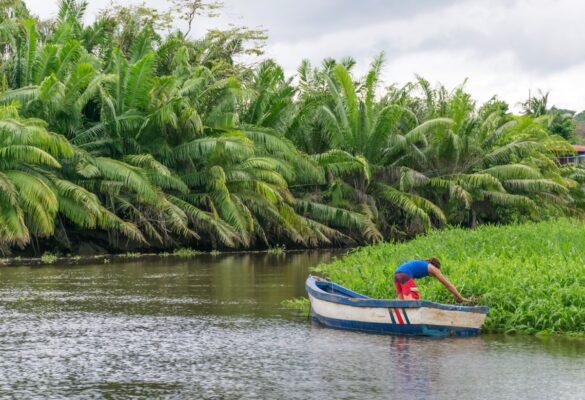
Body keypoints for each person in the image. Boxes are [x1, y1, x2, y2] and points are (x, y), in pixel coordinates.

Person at [393, 258, 472, 303]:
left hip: (396, 275)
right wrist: (461, 297)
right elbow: (448, 285)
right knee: (413, 302)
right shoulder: (434, 269)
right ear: (437, 267)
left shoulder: (423, 264)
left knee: (402, 302)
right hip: (405, 275)